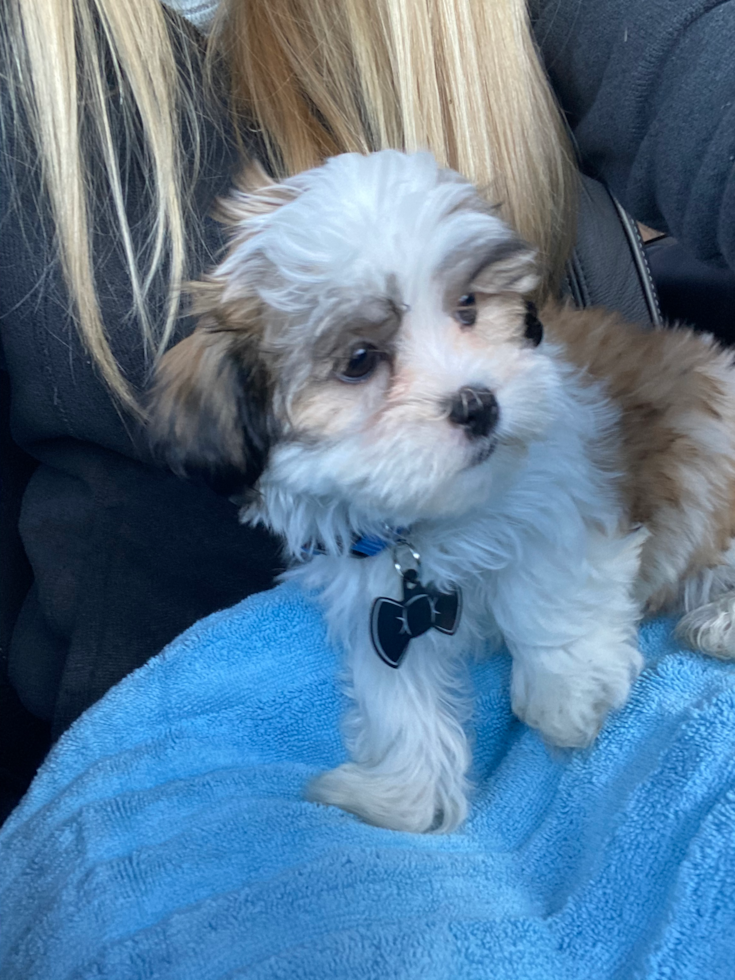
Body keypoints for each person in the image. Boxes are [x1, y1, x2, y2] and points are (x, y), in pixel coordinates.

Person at [0, 0, 732, 823]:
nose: (467, 384)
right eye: (359, 361)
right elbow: (371, 619)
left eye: (466, 308)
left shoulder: (531, 438)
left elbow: (702, 59)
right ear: (251, 415)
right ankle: (415, 777)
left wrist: (558, 646)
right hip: (165, 711)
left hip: (675, 512)